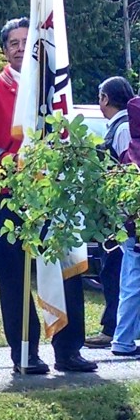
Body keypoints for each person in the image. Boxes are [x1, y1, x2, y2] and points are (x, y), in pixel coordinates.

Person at [0, 16, 97, 374]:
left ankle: (69, 350)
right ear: (5, 50)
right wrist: (13, 161)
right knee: (14, 277)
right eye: (14, 43)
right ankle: (25, 352)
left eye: (28, 41)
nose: (22, 48)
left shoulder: (56, 89)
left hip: (53, 194)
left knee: (66, 268)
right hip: (8, 196)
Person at [85, 76, 134, 349]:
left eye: (100, 96)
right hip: (117, 215)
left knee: (114, 271)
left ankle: (113, 328)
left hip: (121, 216)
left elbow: (128, 171)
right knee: (112, 270)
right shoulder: (120, 126)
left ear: (106, 98)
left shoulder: (123, 128)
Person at [110, 95, 140, 357]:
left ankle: (125, 337)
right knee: (133, 283)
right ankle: (123, 340)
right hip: (135, 228)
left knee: (130, 281)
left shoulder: (129, 149)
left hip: (126, 226)